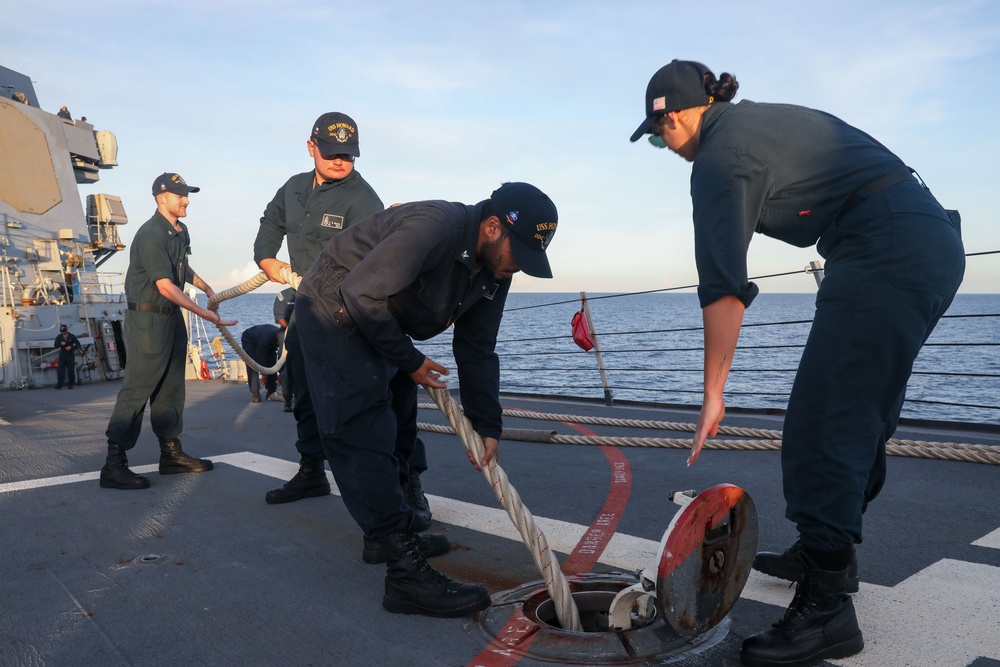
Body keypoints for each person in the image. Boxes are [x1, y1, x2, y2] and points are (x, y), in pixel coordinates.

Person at [630, 60, 965, 666]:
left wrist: (713, 392)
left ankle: (827, 609)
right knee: (859, 413)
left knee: (824, 421)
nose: (664, 146)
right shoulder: (755, 126)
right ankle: (827, 552)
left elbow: (724, 285)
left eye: (658, 137)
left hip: (885, 245)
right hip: (923, 240)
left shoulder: (718, 156)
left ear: (672, 115)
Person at [294, 181, 558, 617]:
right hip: (333, 306)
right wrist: (410, 360)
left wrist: (486, 425)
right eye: (520, 254)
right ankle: (405, 576)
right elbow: (359, 292)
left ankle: (383, 539)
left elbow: (476, 348)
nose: (519, 268)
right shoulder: (435, 226)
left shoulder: (496, 269)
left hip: (383, 317)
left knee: (400, 424)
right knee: (363, 432)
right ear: (493, 227)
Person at [253, 112, 434, 525]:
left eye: (348, 155)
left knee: (384, 399)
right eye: (332, 153)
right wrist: (269, 261)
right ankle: (312, 470)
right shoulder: (294, 188)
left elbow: (375, 268)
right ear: (311, 146)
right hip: (306, 309)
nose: (340, 161)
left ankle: (409, 481)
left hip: (354, 313)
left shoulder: (361, 199)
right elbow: (270, 222)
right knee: (304, 394)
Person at [100, 173, 237, 491]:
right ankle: (114, 463)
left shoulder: (180, 230)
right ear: (161, 198)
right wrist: (203, 312)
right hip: (148, 320)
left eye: (186, 194)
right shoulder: (150, 234)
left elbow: (179, 267)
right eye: (180, 195)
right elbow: (164, 284)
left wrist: (204, 286)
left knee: (171, 388)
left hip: (172, 318)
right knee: (138, 388)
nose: (186, 199)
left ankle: (171, 454)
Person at [240, 323, 281, 403]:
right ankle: (255, 393)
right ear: (277, 335)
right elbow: (260, 355)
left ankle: (271, 391)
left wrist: (282, 374)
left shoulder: (282, 337)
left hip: (269, 343)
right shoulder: (267, 336)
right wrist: (264, 374)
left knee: (272, 363)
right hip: (250, 340)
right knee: (252, 364)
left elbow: (282, 357)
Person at [273, 288, 295, 412]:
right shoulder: (283, 295)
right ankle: (287, 400)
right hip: (287, 335)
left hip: (308, 334)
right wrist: (292, 329)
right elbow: (279, 317)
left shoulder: (312, 290)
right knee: (285, 368)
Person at [53, 324, 82, 389]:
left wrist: (71, 347)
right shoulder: (59, 337)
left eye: (64, 331)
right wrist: (60, 344)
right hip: (62, 355)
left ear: (67, 330)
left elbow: (78, 344)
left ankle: (71, 384)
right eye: (62, 331)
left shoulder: (71, 336)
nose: (63, 332)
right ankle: (59, 384)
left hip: (70, 355)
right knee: (60, 370)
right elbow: (55, 345)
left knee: (71, 370)